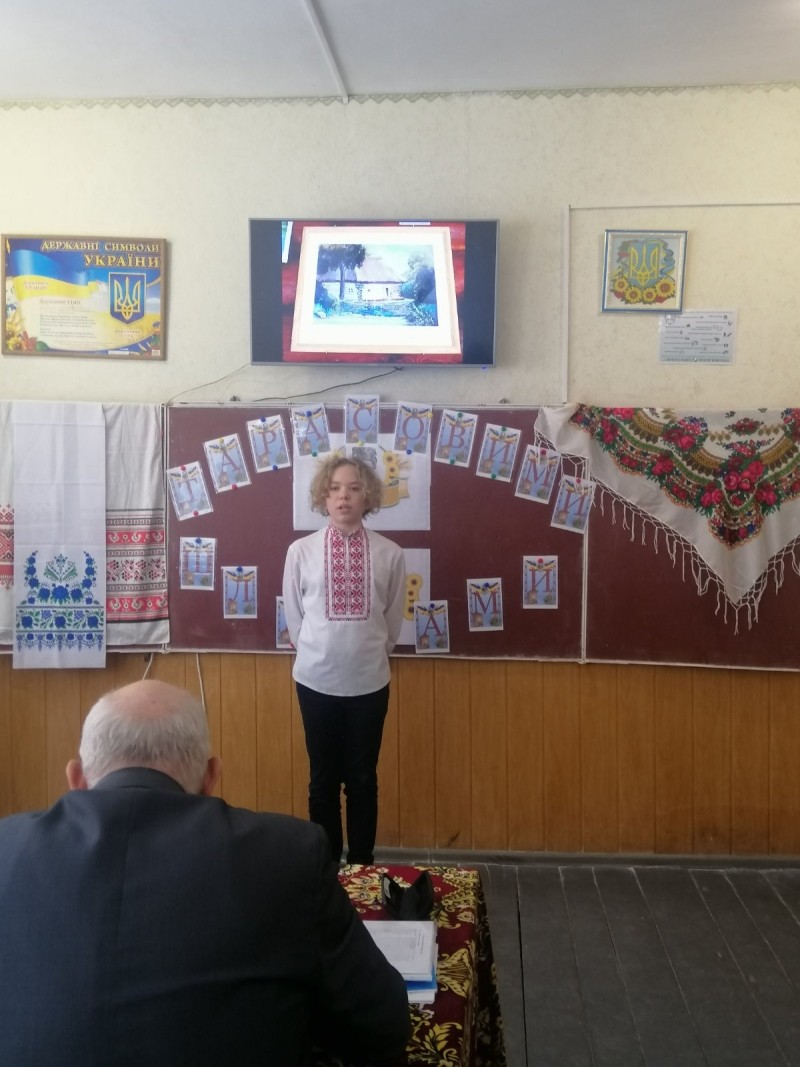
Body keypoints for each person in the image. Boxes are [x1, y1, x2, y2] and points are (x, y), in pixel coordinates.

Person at [0, 679, 410, 1067]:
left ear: (76, 779)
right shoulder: (288, 856)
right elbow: (382, 1027)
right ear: (211, 777)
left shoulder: (7, 848)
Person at [283, 453, 406, 866]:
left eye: (353, 488)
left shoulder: (390, 553)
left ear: (367, 496)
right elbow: (295, 618)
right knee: (322, 781)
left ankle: (362, 867)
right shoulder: (300, 551)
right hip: (315, 682)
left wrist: (365, 655)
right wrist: (321, 653)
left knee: (362, 780)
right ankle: (327, 866)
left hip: (369, 683)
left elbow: (392, 621)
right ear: (323, 496)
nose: (343, 497)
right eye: (334, 489)